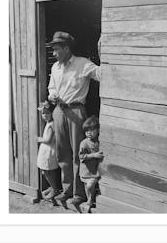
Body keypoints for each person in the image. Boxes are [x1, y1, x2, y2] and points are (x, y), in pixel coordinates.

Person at [47, 31, 101, 207]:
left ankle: (79, 194)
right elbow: (51, 88)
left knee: (79, 154)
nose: (54, 54)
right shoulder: (55, 67)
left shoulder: (82, 64)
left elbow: (101, 75)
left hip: (76, 112)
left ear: (67, 48)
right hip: (59, 112)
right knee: (63, 153)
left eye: (56, 50)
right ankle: (67, 190)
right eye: (53, 50)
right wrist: (52, 95)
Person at [79, 116, 104, 213]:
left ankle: (91, 200)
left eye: (92, 130)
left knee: (91, 186)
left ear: (98, 130)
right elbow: (81, 157)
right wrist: (94, 155)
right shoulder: (84, 143)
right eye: (86, 130)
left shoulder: (99, 141)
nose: (89, 132)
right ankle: (90, 199)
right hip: (87, 170)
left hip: (95, 170)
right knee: (88, 186)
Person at [37, 100, 60, 200]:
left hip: (49, 151)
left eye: (47, 113)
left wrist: (38, 139)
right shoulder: (48, 123)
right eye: (43, 113)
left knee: (46, 171)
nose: (45, 115)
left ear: (52, 114)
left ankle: (55, 189)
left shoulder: (51, 125)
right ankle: (53, 187)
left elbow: (48, 139)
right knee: (47, 171)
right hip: (46, 150)